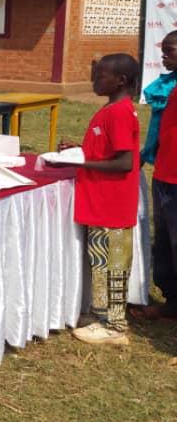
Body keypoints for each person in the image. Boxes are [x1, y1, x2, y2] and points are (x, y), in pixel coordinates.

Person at [48, 53, 140, 346]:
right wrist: (80, 149)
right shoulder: (110, 108)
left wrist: (80, 163)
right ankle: (102, 315)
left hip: (112, 204)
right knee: (100, 261)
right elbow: (107, 149)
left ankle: (115, 325)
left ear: (120, 80)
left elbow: (124, 162)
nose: (93, 81)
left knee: (113, 264)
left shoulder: (119, 112)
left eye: (100, 76)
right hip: (101, 202)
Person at [133, 30, 177, 321]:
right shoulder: (170, 88)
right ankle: (172, 303)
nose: (163, 57)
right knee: (163, 243)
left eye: (169, 51)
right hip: (164, 176)